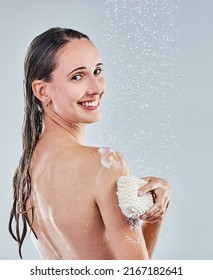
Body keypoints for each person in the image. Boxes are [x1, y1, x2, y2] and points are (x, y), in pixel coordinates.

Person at [9, 27, 171, 260]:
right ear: (42, 91)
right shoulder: (105, 164)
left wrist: (154, 214)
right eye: (77, 76)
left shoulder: (27, 169)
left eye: (97, 71)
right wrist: (157, 216)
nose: (96, 88)